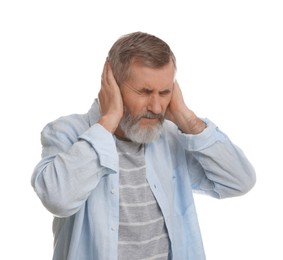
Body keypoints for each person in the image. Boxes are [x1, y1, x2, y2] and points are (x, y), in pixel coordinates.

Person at [31, 31, 256, 260]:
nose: (157, 108)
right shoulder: (66, 133)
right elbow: (57, 199)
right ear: (113, 87)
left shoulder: (171, 138)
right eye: (145, 92)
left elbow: (239, 181)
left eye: (165, 92)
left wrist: (187, 118)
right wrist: (108, 120)